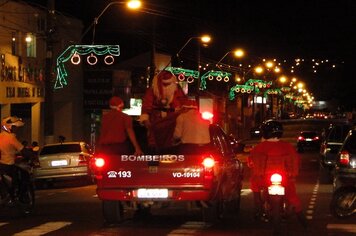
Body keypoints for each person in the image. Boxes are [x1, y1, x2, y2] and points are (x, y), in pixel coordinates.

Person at [247, 120, 307, 228]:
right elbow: (296, 161)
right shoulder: (288, 146)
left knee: (255, 187)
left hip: (264, 178)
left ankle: (258, 207)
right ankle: (302, 220)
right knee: (292, 195)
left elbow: (251, 162)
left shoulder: (259, 147)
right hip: (284, 178)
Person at [140, 70, 187, 148]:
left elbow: (182, 103)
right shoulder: (152, 91)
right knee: (155, 142)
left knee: (171, 141)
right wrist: (146, 120)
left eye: (168, 84)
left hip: (172, 120)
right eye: (164, 84)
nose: (166, 86)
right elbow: (146, 106)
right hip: (156, 120)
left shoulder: (177, 91)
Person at [0, 116, 31, 203]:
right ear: (9, 127)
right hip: (7, 165)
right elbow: (22, 150)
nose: (16, 129)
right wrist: (31, 156)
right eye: (15, 127)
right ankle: (19, 197)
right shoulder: (11, 138)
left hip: (2, 166)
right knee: (24, 175)